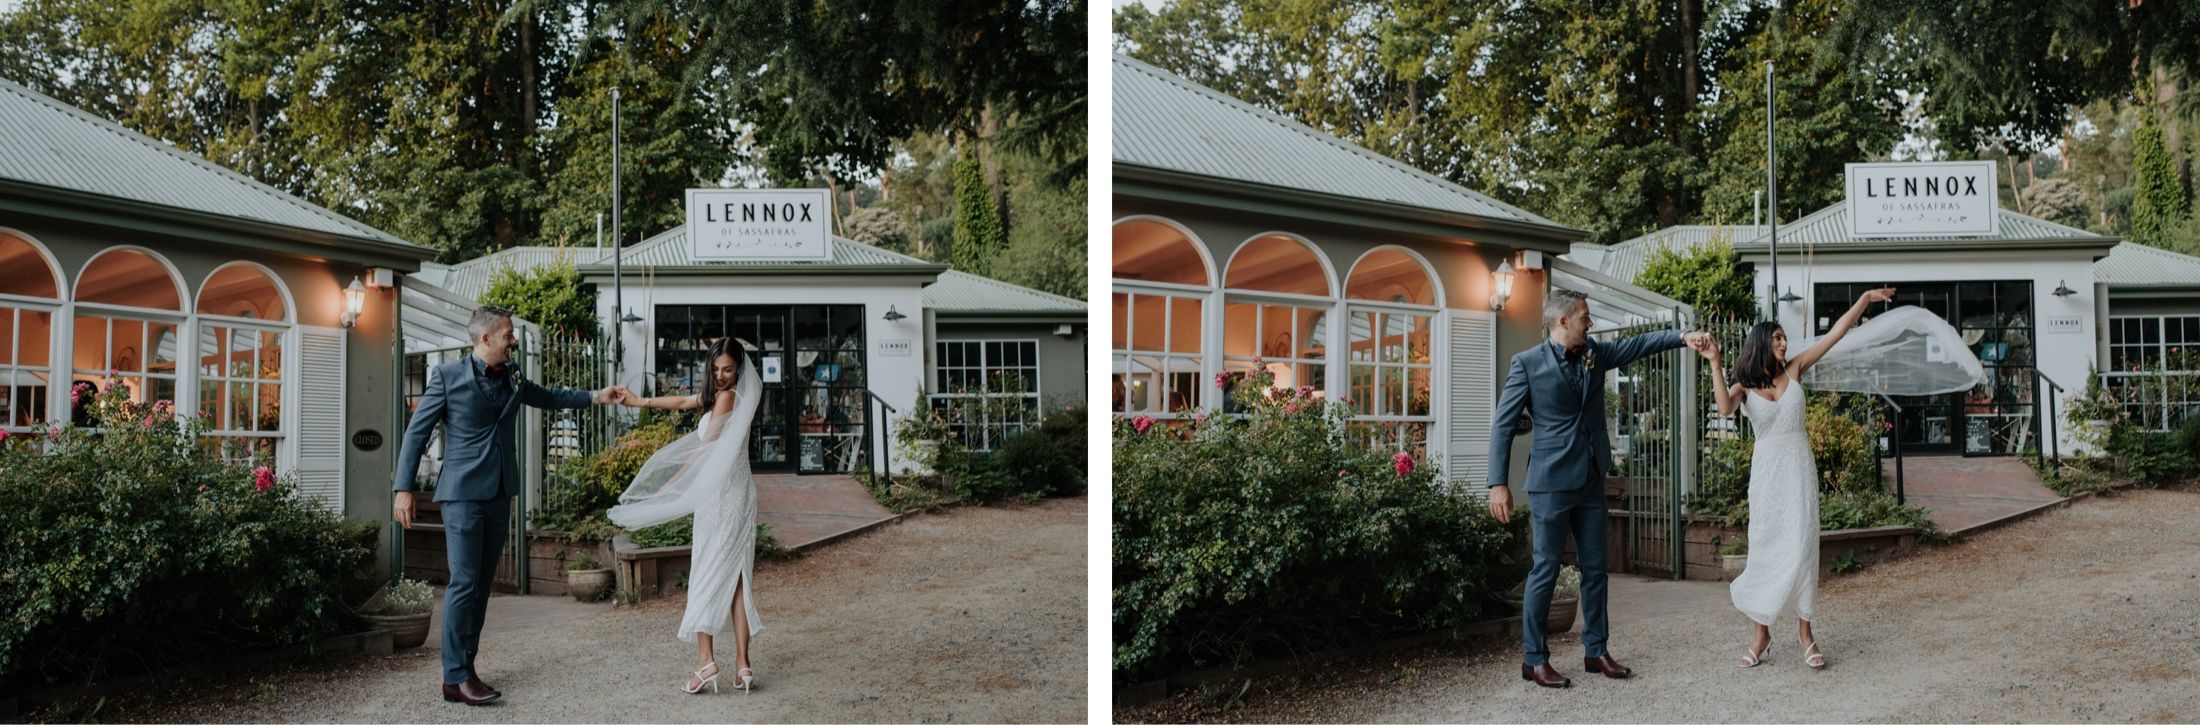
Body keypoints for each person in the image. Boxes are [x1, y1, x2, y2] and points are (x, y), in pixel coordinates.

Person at [392, 306, 630, 706]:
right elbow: (416, 434)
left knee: (481, 587)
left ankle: (464, 670)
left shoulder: (514, 374)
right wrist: (404, 488)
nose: (513, 340)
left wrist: (594, 396)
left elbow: (548, 397)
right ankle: (455, 676)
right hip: (463, 494)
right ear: (485, 339)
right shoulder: (447, 377)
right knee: (464, 584)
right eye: (508, 334)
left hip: (500, 492)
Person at [1487, 288, 1710, 688]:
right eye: (1585, 317)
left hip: (1591, 481)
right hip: (1550, 485)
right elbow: (1503, 425)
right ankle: (1534, 658)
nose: (1591, 323)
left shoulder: (1596, 354)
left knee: (1596, 571)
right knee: (1546, 570)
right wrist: (1497, 484)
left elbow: (1639, 344)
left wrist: (1681, 337)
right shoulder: (1525, 364)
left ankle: (1596, 651)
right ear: (1562, 322)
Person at [1695, 286, 1894, 670]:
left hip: (1799, 471)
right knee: (1765, 549)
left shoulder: (1796, 368)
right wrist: (1715, 360)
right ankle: (1761, 633)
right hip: (1767, 477)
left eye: (1784, 337)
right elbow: (1723, 408)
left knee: (1803, 547)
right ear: (1760, 344)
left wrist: (1864, 300)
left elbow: (1836, 333)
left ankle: (1806, 633)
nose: (1784, 343)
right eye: (1777, 339)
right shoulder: (1745, 385)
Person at [607, 338, 764, 695]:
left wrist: (674, 486)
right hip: (737, 493)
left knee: (706, 575)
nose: (721, 376)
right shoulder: (729, 396)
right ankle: (743, 665)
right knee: (737, 580)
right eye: (715, 369)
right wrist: (639, 400)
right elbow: (682, 401)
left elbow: (704, 449)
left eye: (728, 369)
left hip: (722, 498)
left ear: (739, 368)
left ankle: (706, 663)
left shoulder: (728, 396)